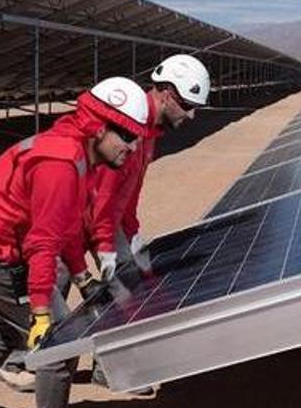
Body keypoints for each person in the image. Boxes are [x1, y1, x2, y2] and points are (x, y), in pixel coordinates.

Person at [0, 77, 151, 408]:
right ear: (100, 127)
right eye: (127, 137)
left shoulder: (79, 153)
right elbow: (43, 243)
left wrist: (81, 275)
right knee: (60, 345)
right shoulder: (62, 163)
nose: (133, 147)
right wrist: (41, 313)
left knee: (10, 328)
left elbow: (66, 225)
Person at [87, 54, 211, 390]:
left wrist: (133, 230)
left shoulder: (150, 131)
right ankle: (14, 362)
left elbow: (130, 188)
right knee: (51, 293)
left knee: (129, 284)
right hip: (72, 216)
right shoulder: (128, 122)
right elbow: (103, 192)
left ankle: (107, 367)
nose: (191, 114)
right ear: (167, 95)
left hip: (106, 219)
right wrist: (105, 247)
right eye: (187, 105)